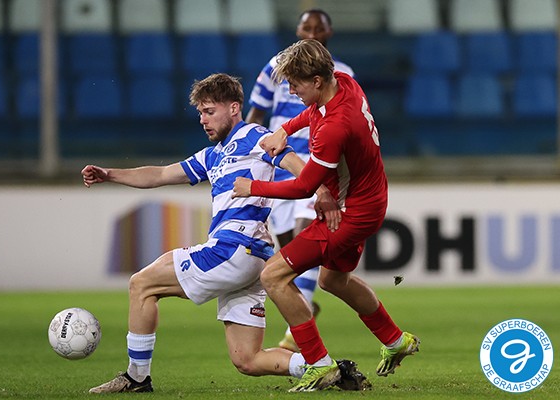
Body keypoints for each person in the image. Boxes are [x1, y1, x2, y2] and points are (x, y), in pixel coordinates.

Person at [82, 73, 366, 394]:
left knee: (141, 284)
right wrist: (110, 174)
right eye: (200, 113)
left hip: (232, 248)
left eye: (209, 111)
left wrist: (322, 192)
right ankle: (329, 369)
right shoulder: (213, 155)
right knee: (247, 359)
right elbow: (160, 174)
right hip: (252, 259)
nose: (203, 120)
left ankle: (136, 378)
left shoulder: (255, 136)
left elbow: (294, 163)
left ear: (233, 108)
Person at [233, 40, 420, 391]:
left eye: (295, 85)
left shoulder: (336, 126)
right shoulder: (344, 83)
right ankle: (396, 341)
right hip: (365, 199)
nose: (291, 92)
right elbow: (311, 113)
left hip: (350, 213)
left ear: (317, 81)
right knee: (332, 280)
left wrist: (252, 187)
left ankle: (319, 364)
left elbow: (305, 186)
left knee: (273, 276)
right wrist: (285, 129)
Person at [245, 8, 355, 353]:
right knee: (291, 254)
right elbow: (257, 113)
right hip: (282, 163)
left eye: (318, 29)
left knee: (308, 233)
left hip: (320, 163)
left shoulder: (343, 74)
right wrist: (248, 155)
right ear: (297, 30)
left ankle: (297, 333)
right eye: (306, 28)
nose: (311, 34)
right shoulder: (274, 67)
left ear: (328, 33)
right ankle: (306, 309)